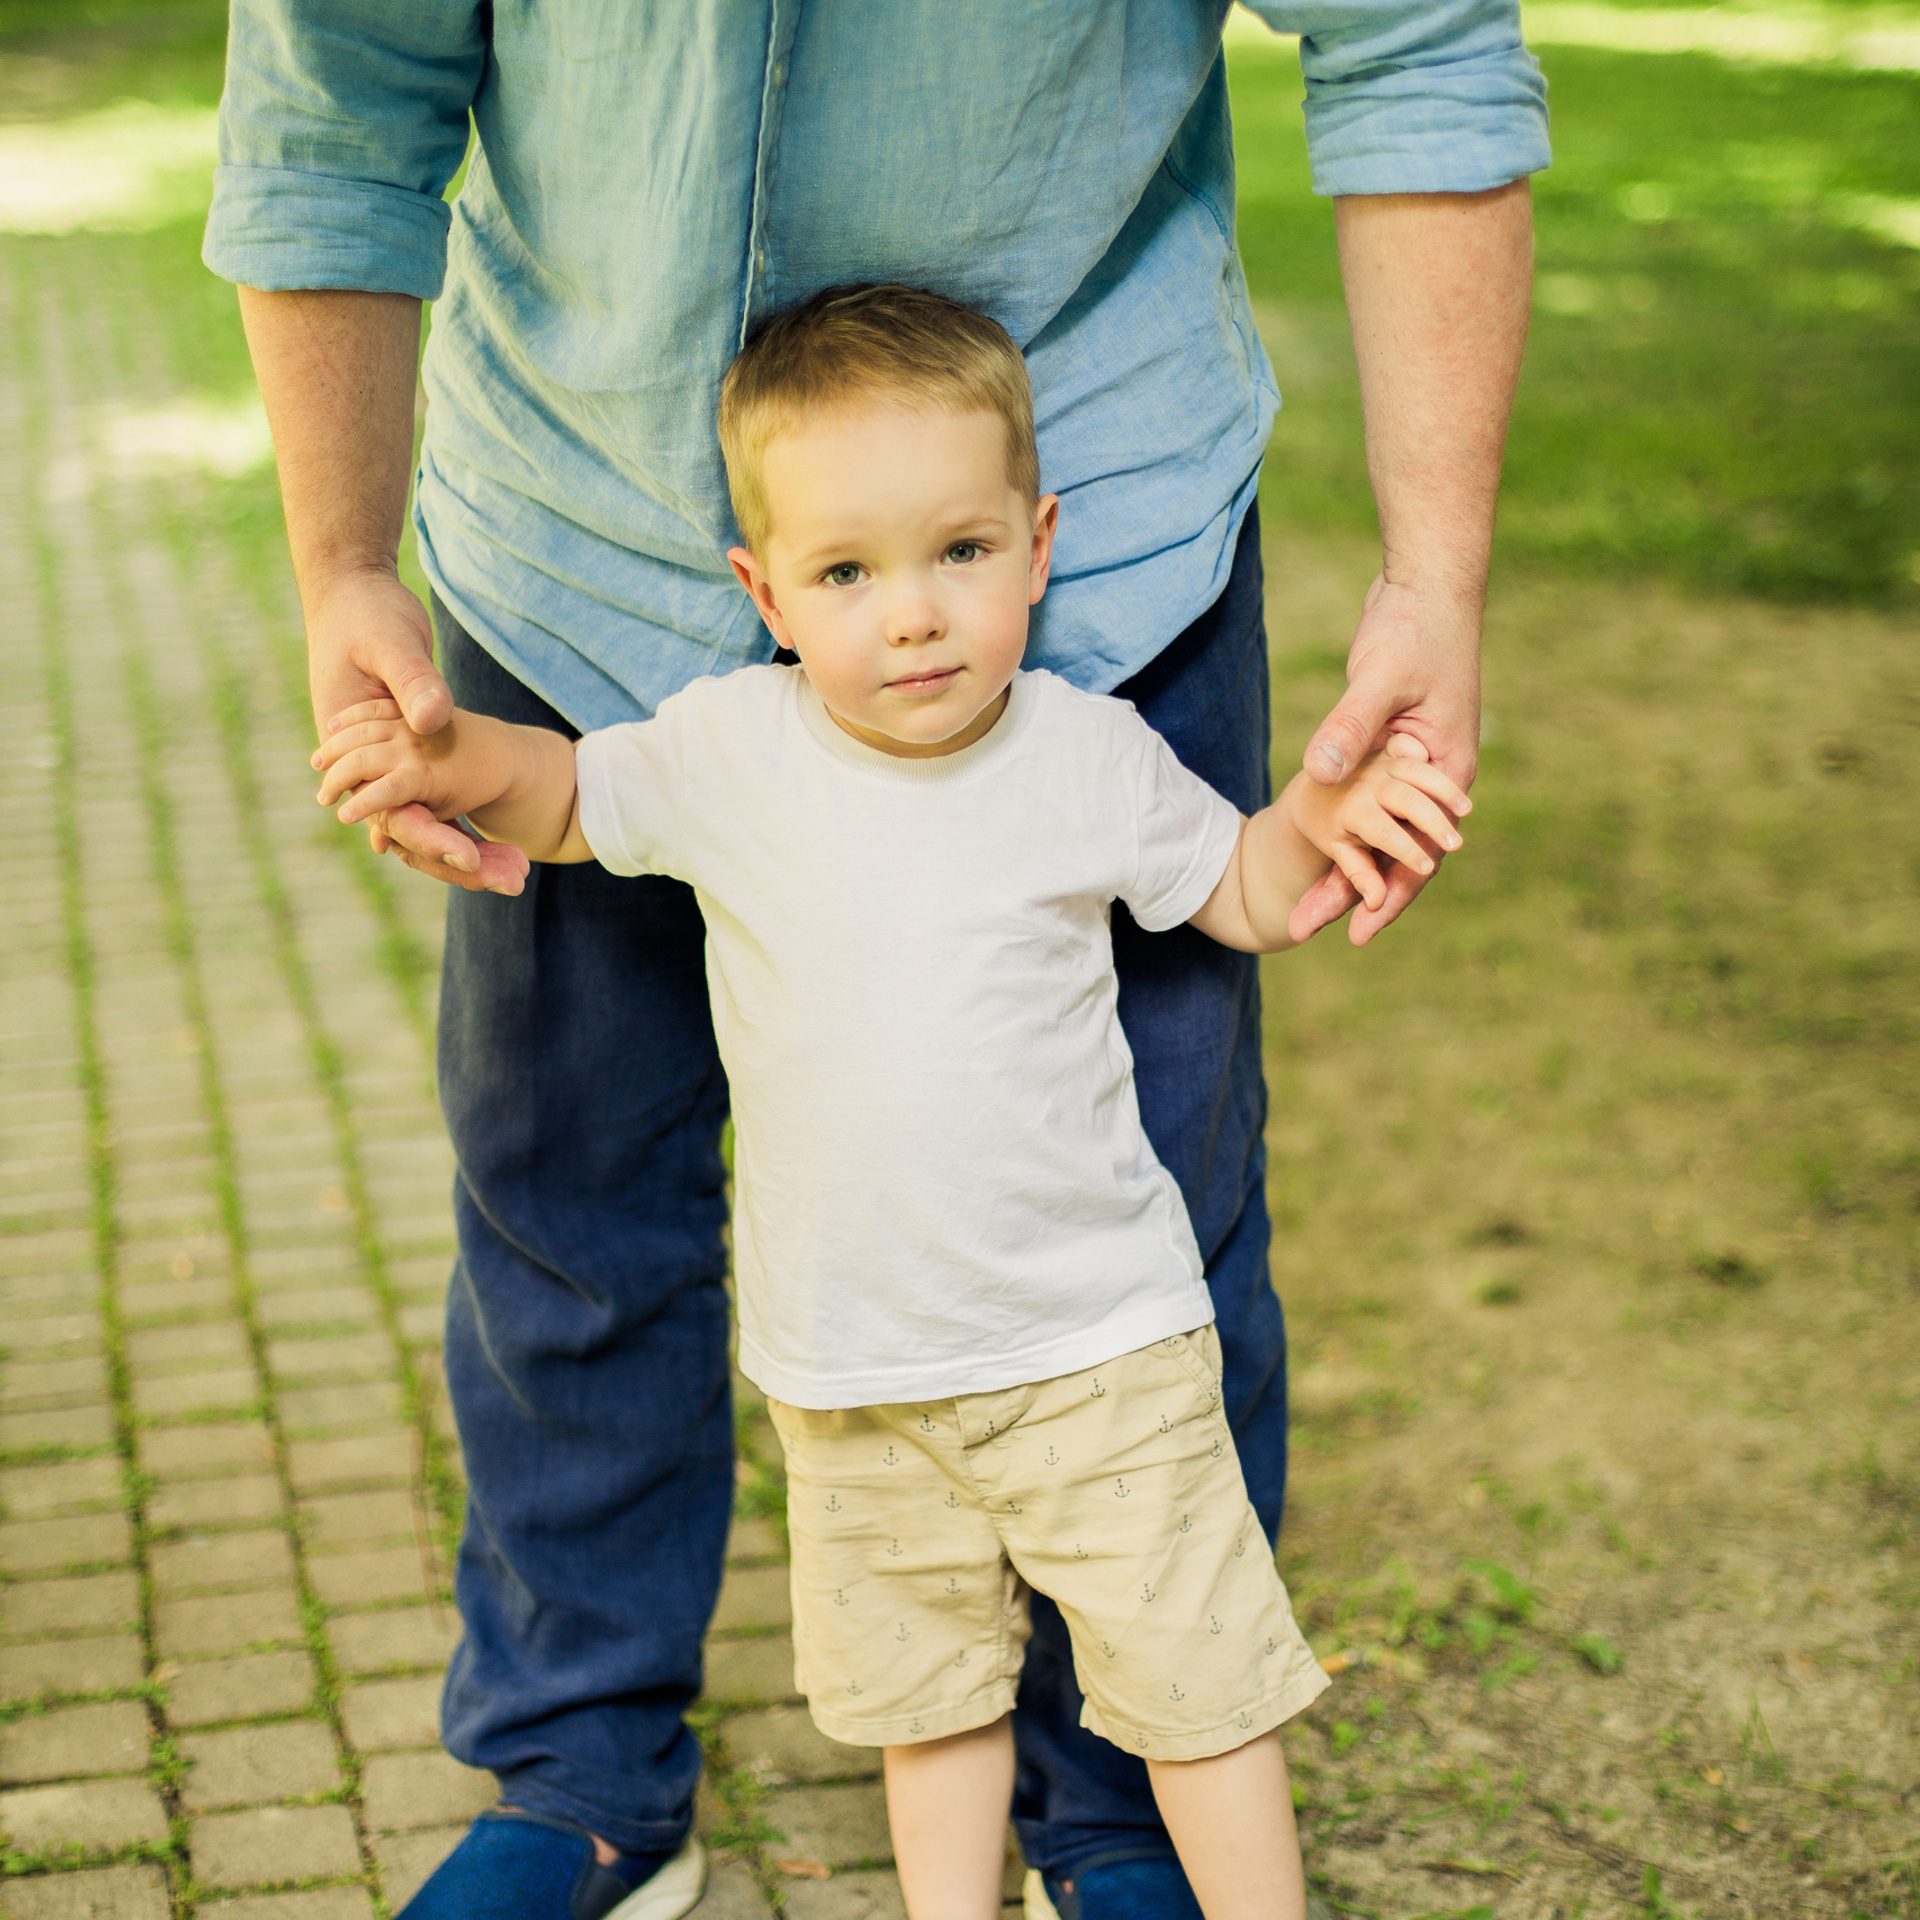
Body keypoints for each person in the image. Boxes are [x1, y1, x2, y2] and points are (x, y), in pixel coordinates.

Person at [206, 6, 1545, 1915]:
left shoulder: (1078, 739)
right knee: (565, 1198)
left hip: (1110, 502)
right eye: (847, 587)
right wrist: (358, 598)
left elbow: (1422, 43)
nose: (904, 624)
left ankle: (1121, 1821)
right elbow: (339, 102)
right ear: (778, 596)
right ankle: (583, 1780)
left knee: (1159, 1220)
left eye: (942, 576)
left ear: (1019, 546)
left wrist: (1415, 628)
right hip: (565, 535)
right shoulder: (720, 757)